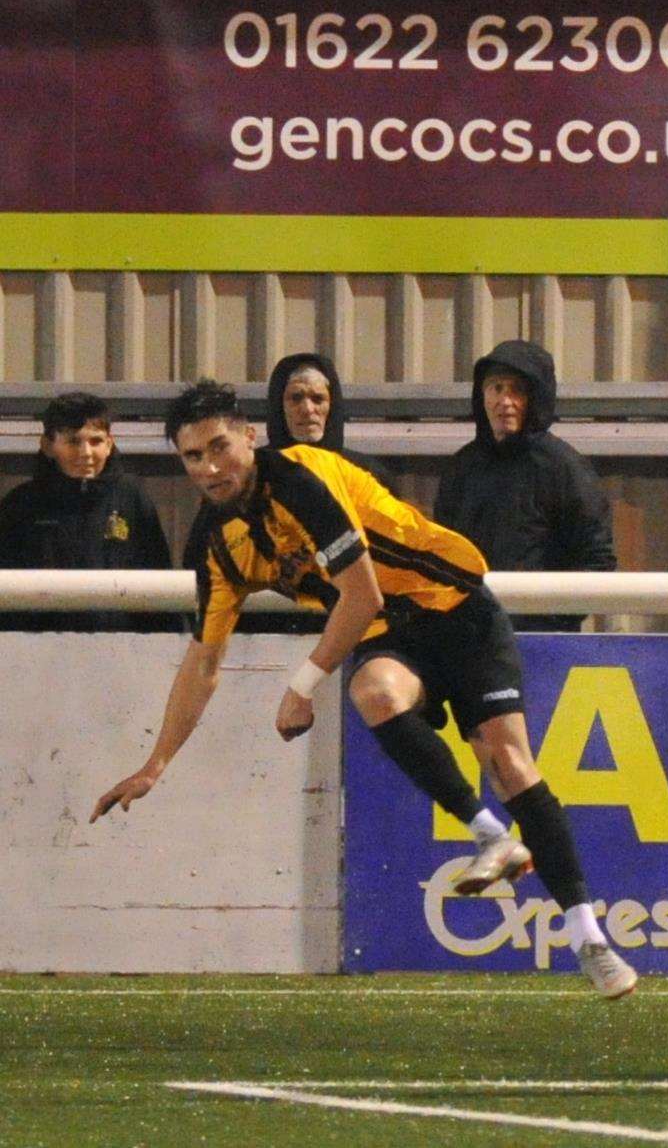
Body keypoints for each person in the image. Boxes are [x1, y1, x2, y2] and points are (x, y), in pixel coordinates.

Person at [89, 381, 637, 999]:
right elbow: (204, 660)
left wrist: (302, 684)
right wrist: (156, 763)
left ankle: (589, 935)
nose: (211, 468)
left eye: (220, 447)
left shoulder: (302, 477)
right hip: (387, 633)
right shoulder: (221, 547)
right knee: (375, 693)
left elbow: (362, 592)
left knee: (510, 765)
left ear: (249, 436)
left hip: (455, 607)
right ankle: (491, 837)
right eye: (193, 457)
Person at [181, 352, 395, 633]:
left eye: (318, 399)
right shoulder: (244, 473)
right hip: (261, 635)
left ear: (333, 405)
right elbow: (202, 557)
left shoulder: (366, 474)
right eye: (296, 398)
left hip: (348, 635)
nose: (307, 409)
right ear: (278, 406)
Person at [435, 340, 615, 632]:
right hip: (471, 638)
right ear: (481, 395)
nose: (505, 401)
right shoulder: (461, 468)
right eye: (496, 388)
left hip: (544, 640)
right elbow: (441, 552)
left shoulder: (565, 468)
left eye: (517, 390)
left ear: (537, 398)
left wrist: (554, 621)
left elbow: (597, 558)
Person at [0, 391, 173, 632]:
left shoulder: (132, 499)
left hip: (125, 652)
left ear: (110, 444)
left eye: (96, 441)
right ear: (48, 445)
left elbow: (160, 581)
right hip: (37, 656)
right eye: (73, 441)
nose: (86, 453)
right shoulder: (21, 505)